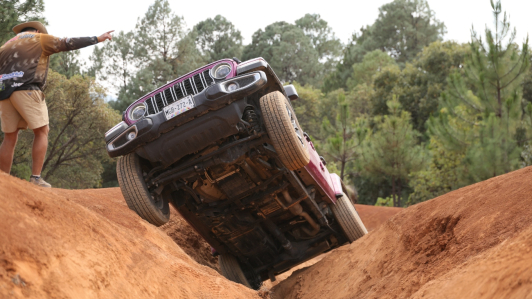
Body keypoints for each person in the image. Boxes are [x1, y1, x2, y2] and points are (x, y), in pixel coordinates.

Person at [0, 21, 113, 187]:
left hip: (4, 92)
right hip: (27, 89)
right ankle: (36, 178)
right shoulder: (39, 38)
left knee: (9, 137)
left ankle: (3, 179)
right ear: (37, 30)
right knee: (42, 131)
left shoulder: (5, 46)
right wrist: (97, 38)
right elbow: (67, 43)